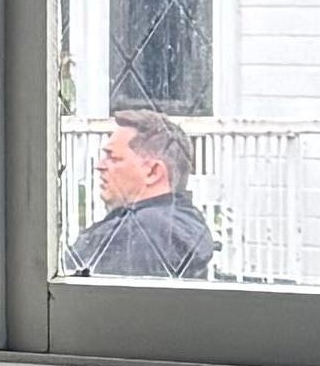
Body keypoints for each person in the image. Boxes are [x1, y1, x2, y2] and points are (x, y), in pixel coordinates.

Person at [64, 107, 216, 281]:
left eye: (113, 158)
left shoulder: (136, 234)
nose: (99, 166)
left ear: (153, 172)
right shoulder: (185, 224)